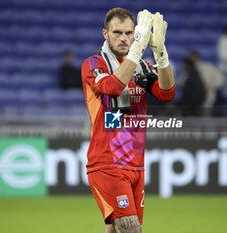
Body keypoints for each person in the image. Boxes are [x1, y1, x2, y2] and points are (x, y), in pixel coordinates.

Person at [81, 8, 175, 233]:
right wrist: (137, 49)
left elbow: (167, 93)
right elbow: (112, 88)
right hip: (107, 164)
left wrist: (161, 54)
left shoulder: (141, 67)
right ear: (105, 33)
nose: (124, 38)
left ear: (136, 33)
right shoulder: (94, 64)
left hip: (135, 165)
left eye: (129, 33)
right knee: (132, 230)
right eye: (117, 33)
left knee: (116, 230)